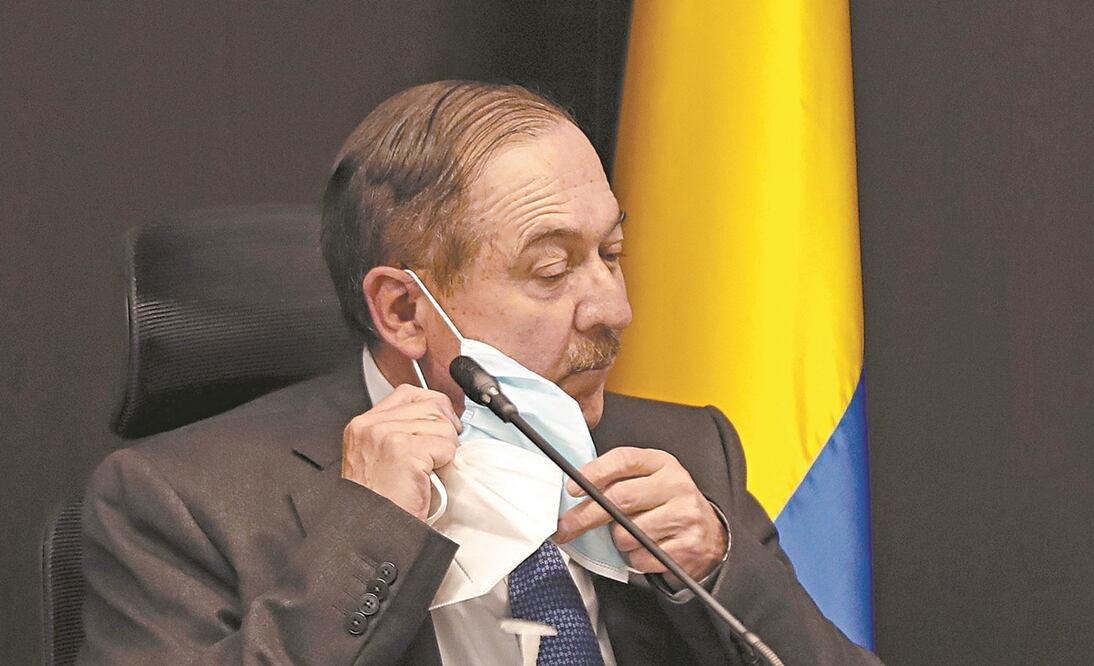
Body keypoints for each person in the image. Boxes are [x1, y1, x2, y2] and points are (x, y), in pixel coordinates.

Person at [79, 80, 882, 664]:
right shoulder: (176, 504)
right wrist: (368, 534)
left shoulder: (684, 450)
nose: (612, 309)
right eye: (550, 269)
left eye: (611, 254)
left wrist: (713, 567)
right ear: (403, 311)